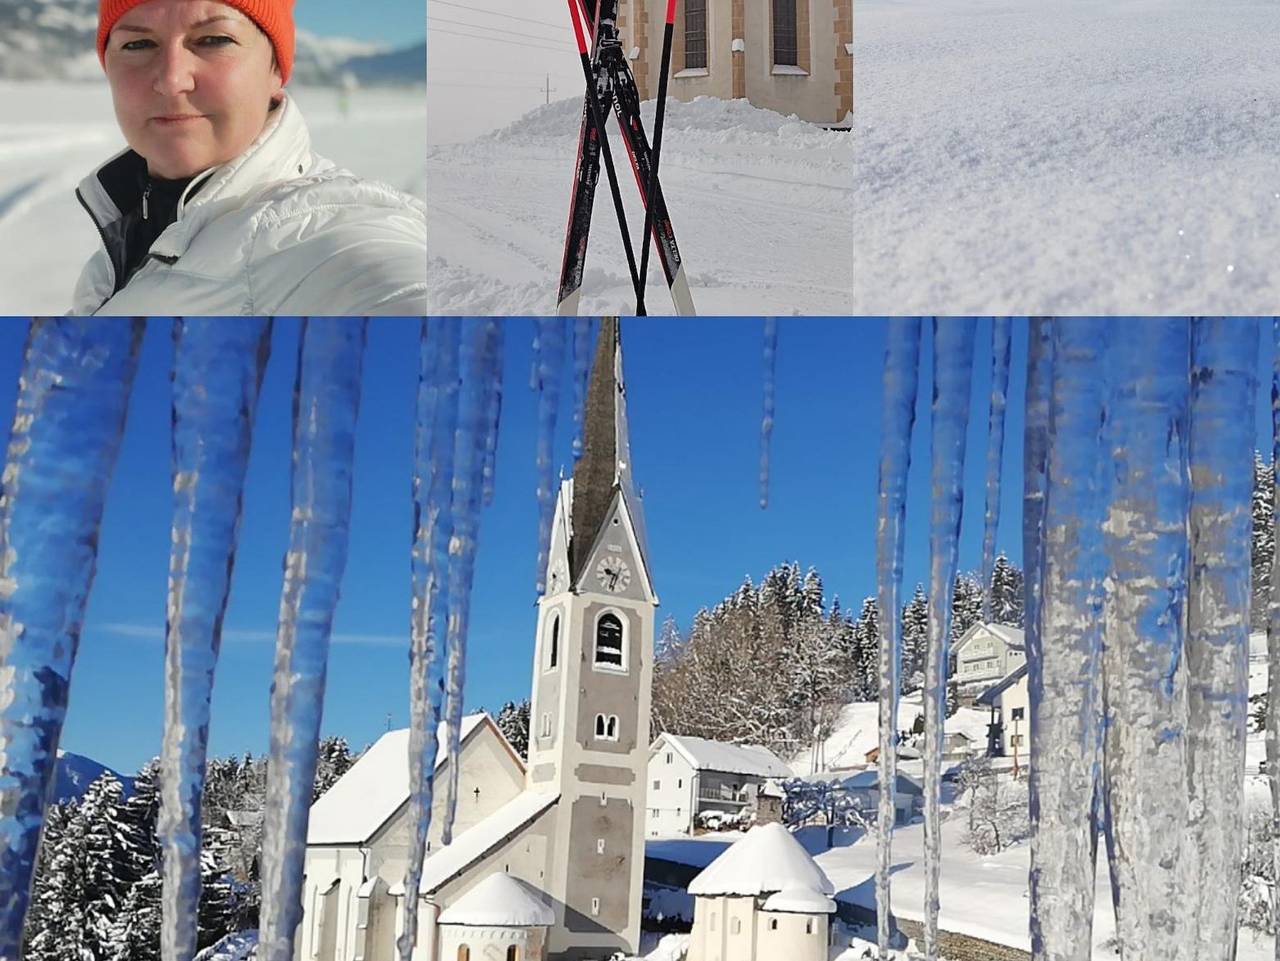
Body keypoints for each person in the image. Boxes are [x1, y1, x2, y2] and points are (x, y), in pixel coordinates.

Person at [73, 0, 427, 315]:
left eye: (214, 40)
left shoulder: (317, 233)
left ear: (276, 69)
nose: (171, 79)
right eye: (137, 44)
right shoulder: (123, 239)